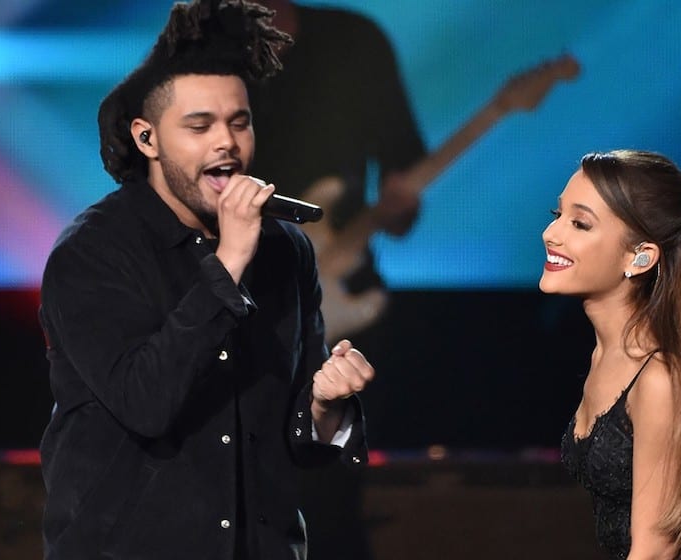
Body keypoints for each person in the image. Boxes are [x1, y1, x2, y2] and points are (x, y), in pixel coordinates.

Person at [37, 1, 375, 559]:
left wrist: (324, 408)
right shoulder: (92, 253)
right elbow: (145, 404)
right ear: (147, 139)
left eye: (238, 123)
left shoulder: (285, 250)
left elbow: (296, 443)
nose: (227, 143)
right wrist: (229, 264)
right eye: (200, 126)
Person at [539, 150, 681, 559]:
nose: (551, 234)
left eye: (579, 223)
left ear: (640, 256)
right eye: (556, 214)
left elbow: (655, 552)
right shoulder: (605, 355)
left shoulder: (656, 380)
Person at [246, 0, 428, 343]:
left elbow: (401, 161)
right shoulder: (191, 53)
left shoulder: (355, 40)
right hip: (236, 306)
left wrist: (399, 208)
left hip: (342, 296)